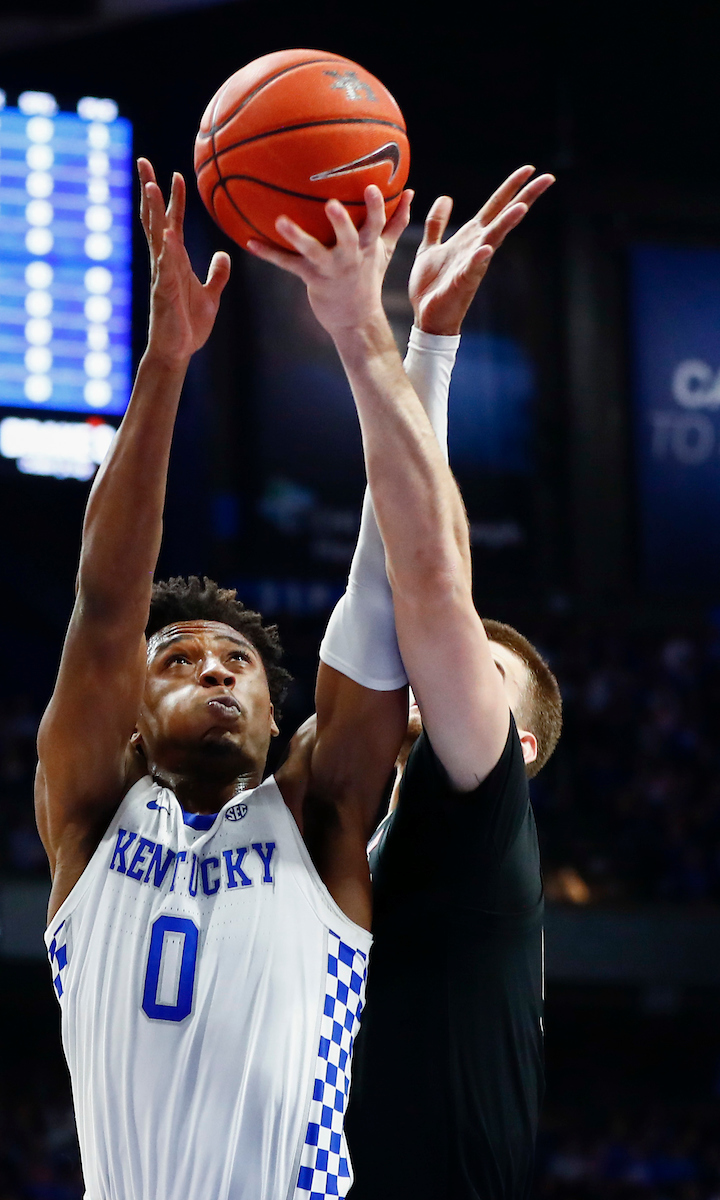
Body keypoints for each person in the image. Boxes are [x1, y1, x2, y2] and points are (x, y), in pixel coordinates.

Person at [36, 157, 423, 1200]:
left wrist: (372, 344)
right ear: (132, 714)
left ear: (271, 710)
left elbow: (386, 601)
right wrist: (163, 367)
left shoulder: (316, 817)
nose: (212, 669)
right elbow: (106, 600)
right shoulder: (89, 819)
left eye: (236, 663)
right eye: (179, 661)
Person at [252, 168, 561, 1198]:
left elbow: (427, 584)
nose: (441, 681)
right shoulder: (381, 824)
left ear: (515, 746)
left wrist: (363, 333)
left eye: (477, 673)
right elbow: (394, 591)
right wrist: (424, 346)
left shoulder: (482, 811)